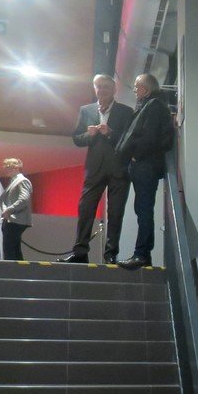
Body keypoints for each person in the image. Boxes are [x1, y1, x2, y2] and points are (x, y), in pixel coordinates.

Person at [61, 75, 134, 264]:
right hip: (94, 169)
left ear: (114, 90)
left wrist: (110, 133)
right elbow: (77, 139)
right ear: (95, 89)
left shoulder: (126, 111)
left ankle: (111, 254)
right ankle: (80, 253)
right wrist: (90, 134)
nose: (102, 90)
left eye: (106, 87)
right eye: (99, 86)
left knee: (116, 212)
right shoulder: (86, 110)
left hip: (119, 168)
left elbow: (130, 140)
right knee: (85, 208)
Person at [114, 73, 174, 269]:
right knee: (143, 209)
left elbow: (150, 136)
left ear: (146, 89)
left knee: (143, 209)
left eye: (137, 86)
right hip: (144, 165)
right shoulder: (153, 105)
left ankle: (142, 254)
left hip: (145, 165)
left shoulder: (153, 106)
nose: (134, 90)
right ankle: (142, 253)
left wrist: (136, 156)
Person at [0, 158, 32, 262]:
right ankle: (18, 270)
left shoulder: (22, 180)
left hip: (16, 220)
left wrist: (9, 210)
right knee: (14, 250)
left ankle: (11, 270)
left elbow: (24, 199)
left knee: (10, 250)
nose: (5, 169)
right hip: (12, 220)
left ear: (16, 167)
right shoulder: (14, 181)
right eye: (5, 166)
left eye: (8, 166)